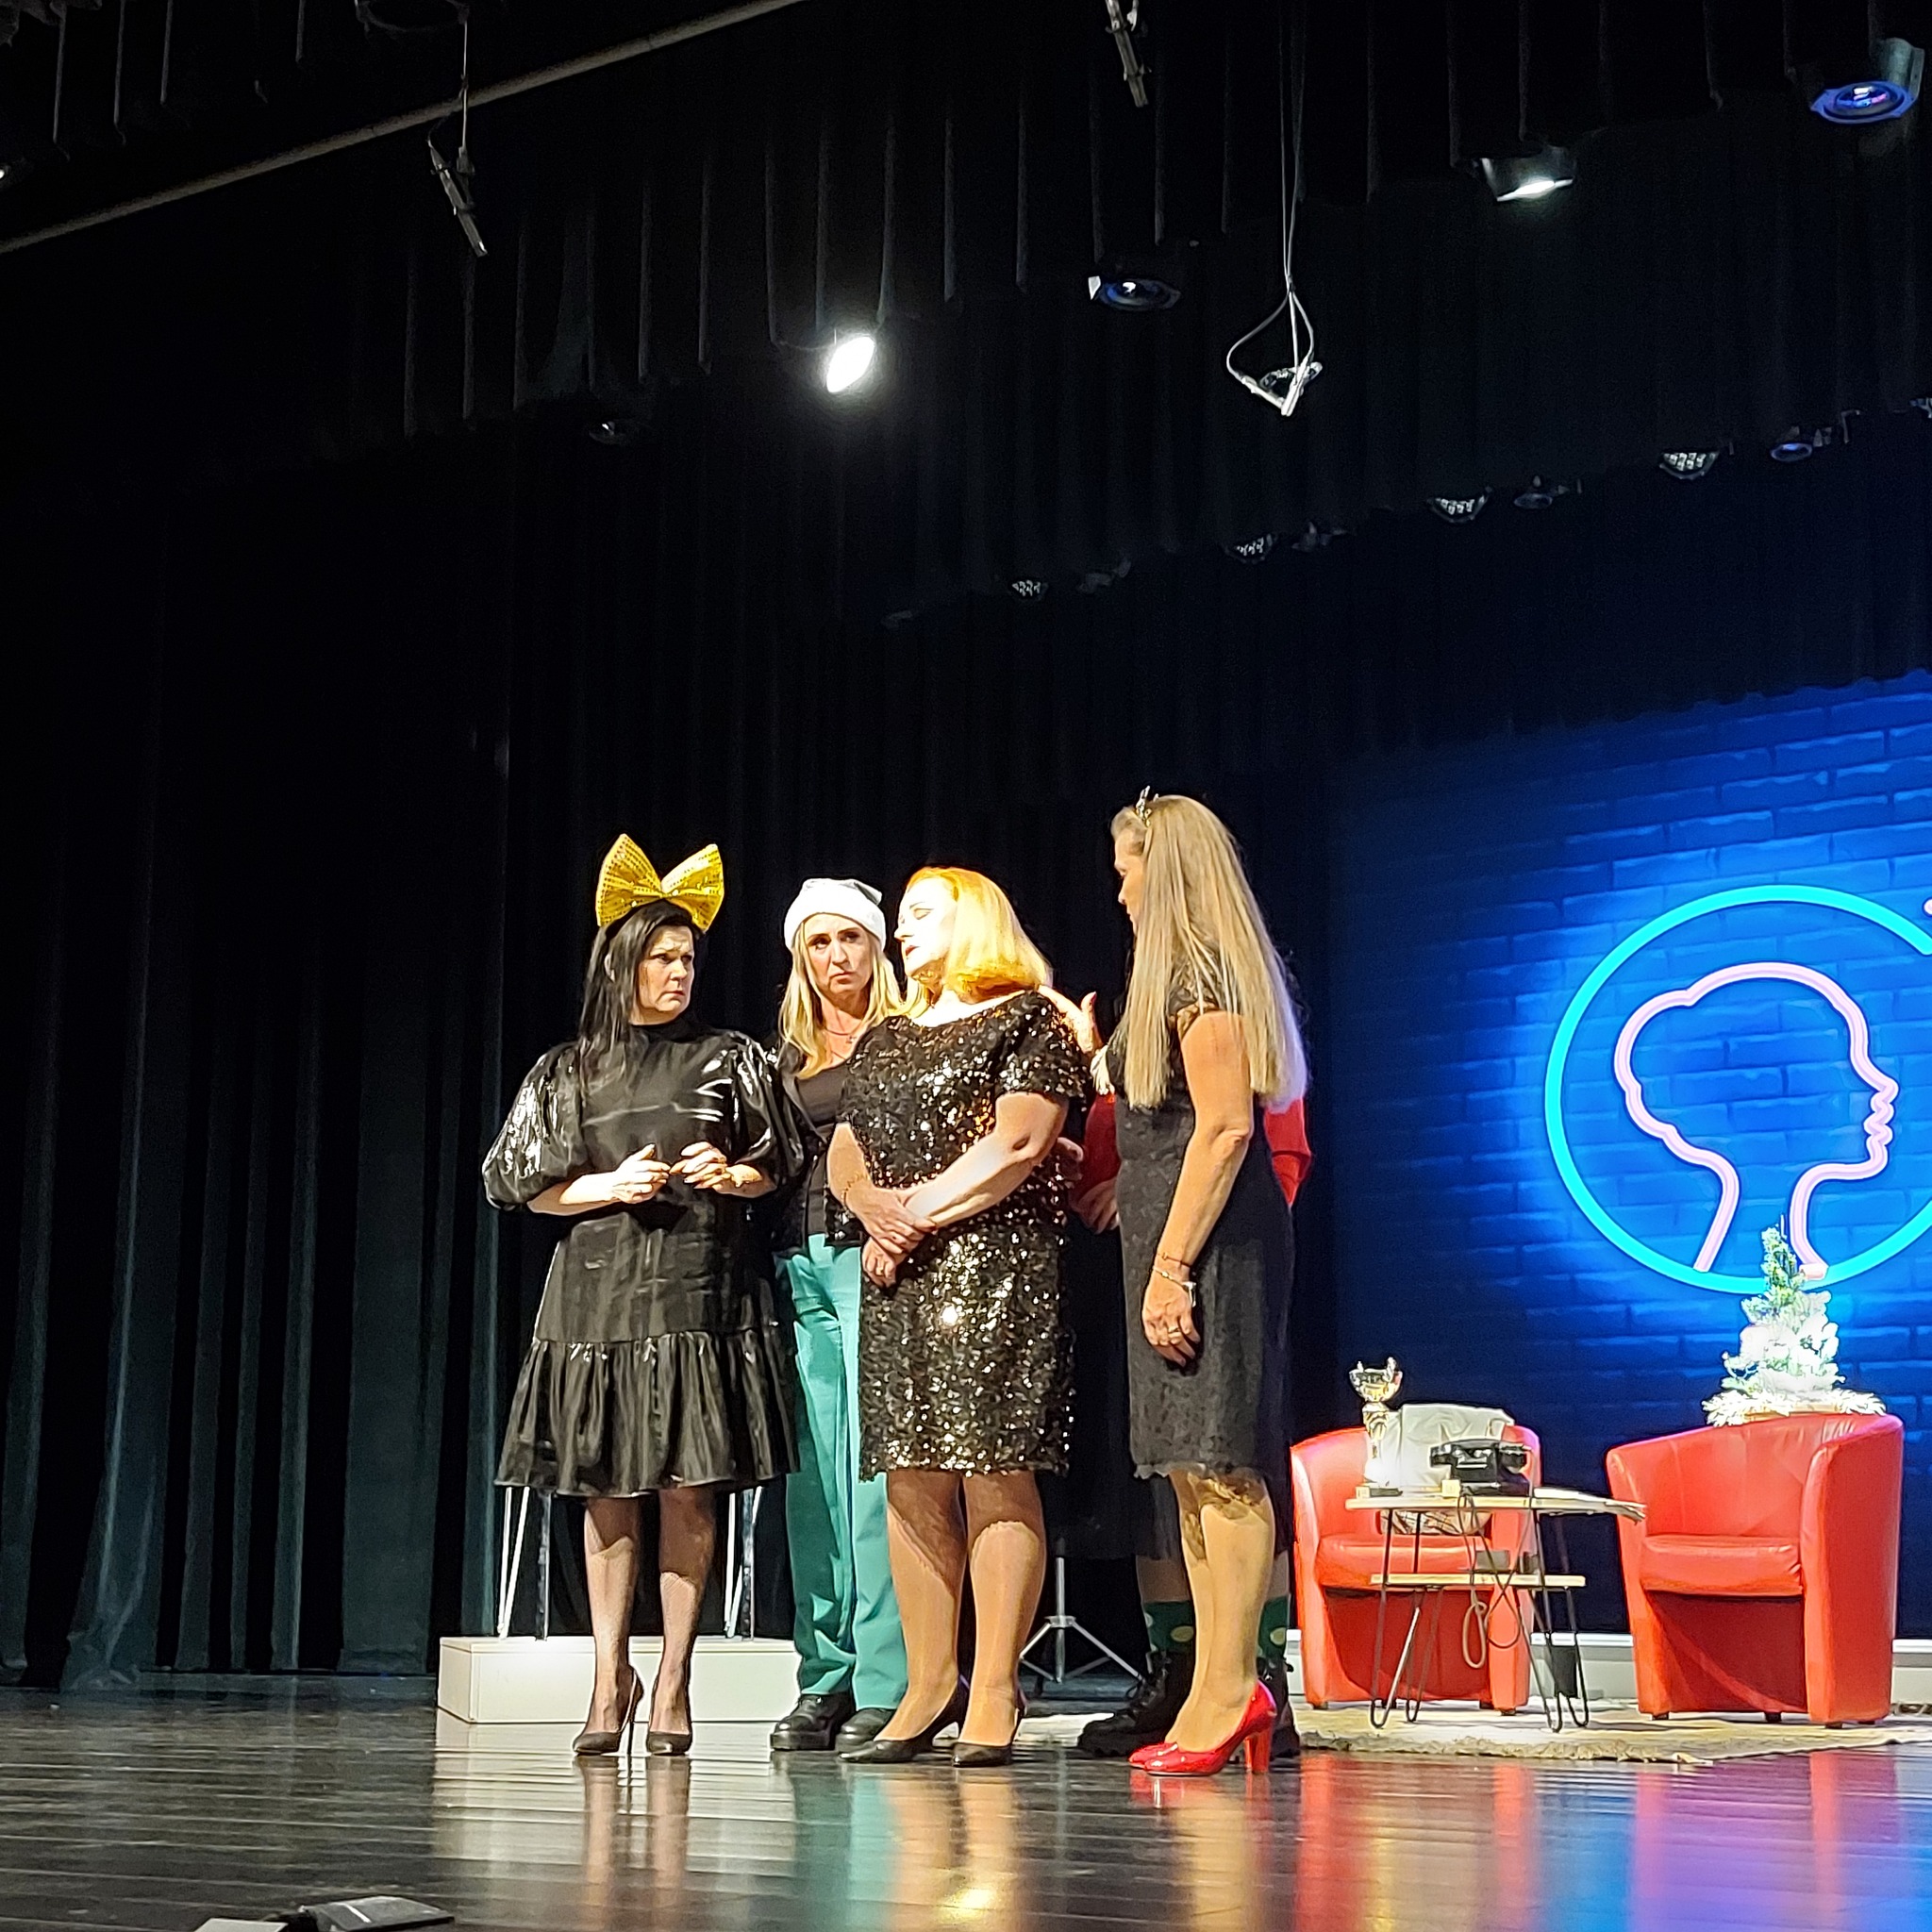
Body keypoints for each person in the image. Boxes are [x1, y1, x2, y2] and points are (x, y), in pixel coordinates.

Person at [485, 836, 801, 1758]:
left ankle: (673, 1679)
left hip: (700, 1296)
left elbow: (779, 1162)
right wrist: (609, 1185)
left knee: (688, 1490)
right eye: (662, 957)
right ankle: (607, 1676)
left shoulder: (729, 1058)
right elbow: (522, 1185)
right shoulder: (570, 1068)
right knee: (608, 1492)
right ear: (620, 963)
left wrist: (731, 1174)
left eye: (688, 957)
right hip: (599, 1302)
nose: (679, 972)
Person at [1048, 793, 1306, 1775]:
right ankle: (1211, 1687)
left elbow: (1227, 1128)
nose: (1117, 888)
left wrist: (1169, 1267)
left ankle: (1235, 1688)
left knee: (1220, 1461)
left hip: (1213, 1246)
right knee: (1190, 1472)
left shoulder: (1202, 973)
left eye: (1127, 869)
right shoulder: (1173, 978)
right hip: (1174, 1238)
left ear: (1165, 870)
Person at [825, 867, 1089, 1766]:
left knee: (994, 1470)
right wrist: (871, 1209)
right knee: (909, 1477)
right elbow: (847, 1146)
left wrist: (909, 1217)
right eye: (901, 919)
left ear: (973, 919)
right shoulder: (887, 1036)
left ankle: (998, 1688)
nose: (901, 932)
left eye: (920, 915)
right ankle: (928, 1684)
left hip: (997, 1269)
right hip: (899, 1274)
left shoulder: (1030, 1018)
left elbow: (1020, 1140)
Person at [1068, 1092, 1310, 1761]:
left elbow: (1269, 1153)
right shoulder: (1126, 1057)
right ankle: (1181, 1674)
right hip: (1125, 1265)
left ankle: (1256, 1674)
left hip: (1212, 1255)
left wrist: (1173, 1236)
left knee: (1230, 1457)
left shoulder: (1225, 1038)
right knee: (1161, 1480)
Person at [766, 878, 912, 1754]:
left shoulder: (904, 1037)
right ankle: (824, 1676)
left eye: (849, 939)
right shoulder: (783, 1057)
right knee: (813, 1480)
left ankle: (891, 1680)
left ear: (875, 946)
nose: (835, 957)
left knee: (873, 1474)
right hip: (797, 1264)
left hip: (875, 1262)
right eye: (818, 943)